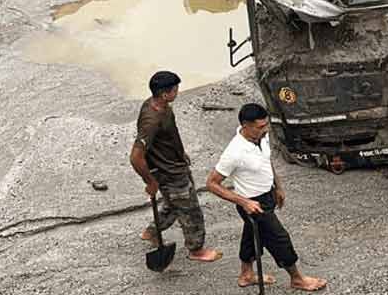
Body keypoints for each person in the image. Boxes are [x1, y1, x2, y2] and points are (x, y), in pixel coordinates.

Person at [206, 103, 327, 291]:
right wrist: (244, 202)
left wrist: (278, 187)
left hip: (267, 193)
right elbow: (212, 183)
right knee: (279, 238)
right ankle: (297, 278)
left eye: (266, 124)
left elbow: (266, 159)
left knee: (252, 236)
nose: (266, 129)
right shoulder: (234, 152)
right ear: (245, 126)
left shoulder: (262, 136)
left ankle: (246, 274)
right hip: (253, 203)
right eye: (260, 126)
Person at [129, 71, 222, 262]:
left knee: (173, 205)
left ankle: (152, 231)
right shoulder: (151, 120)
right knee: (191, 211)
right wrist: (150, 182)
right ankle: (196, 250)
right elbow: (136, 157)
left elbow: (167, 135)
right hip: (170, 173)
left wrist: (180, 152)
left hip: (173, 164)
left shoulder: (160, 106)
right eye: (175, 89)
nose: (178, 91)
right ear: (165, 94)